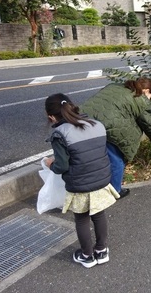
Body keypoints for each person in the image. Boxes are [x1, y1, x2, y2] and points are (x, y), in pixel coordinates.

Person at [44, 93, 119, 268]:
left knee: (82, 218)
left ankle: (87, 255)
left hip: (80, 183)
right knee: (99, 214)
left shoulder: (60, 134)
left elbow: (61, 166)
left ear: (51, 116)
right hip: (101, 179)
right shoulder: (96, 124)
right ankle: (101, 250)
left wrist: (50, 164)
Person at [82, 77, 151, 198]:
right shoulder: (140, 99)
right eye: (150, 96)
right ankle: (115, 191)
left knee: (88, 157)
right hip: (106, 127)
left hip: (82, 120)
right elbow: (150, 126)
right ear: (146, 90)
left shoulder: (114, 86)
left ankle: (89, 186)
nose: (149, 99)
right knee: (117, 160)